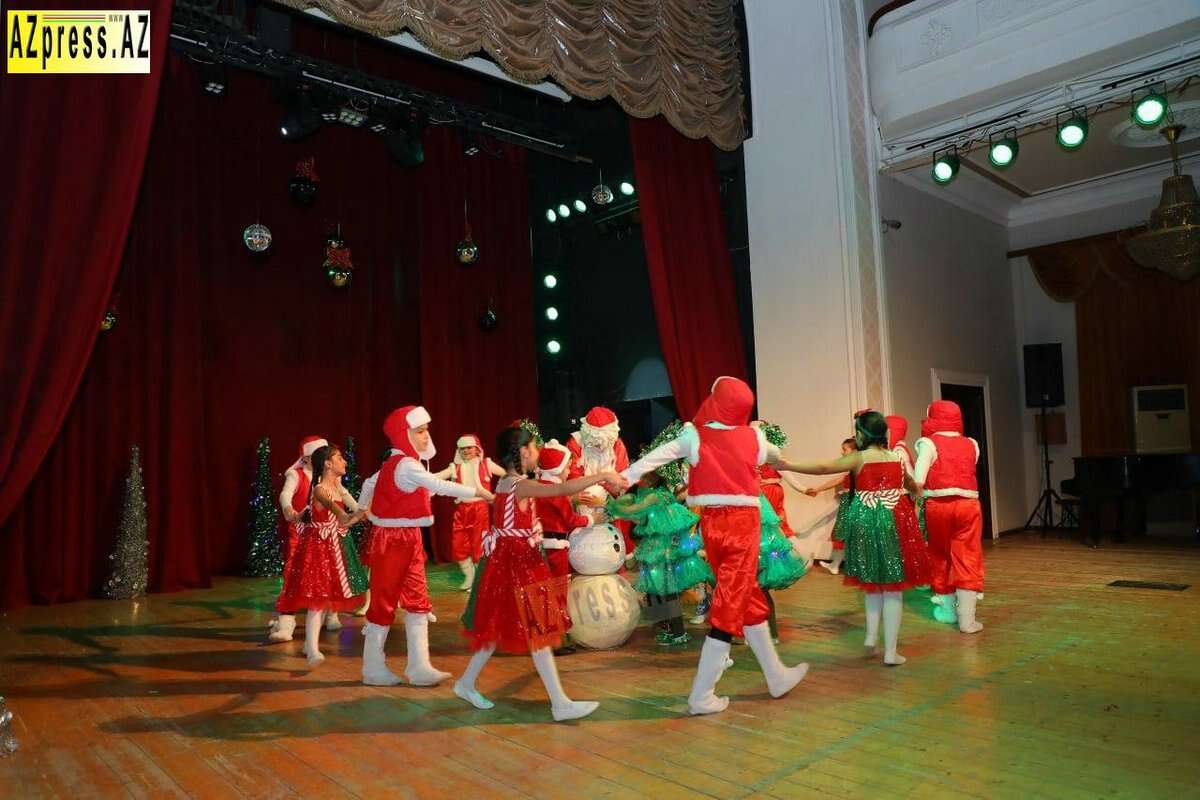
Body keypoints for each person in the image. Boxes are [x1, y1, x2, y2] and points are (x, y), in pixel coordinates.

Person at [624, 377, 809, 715]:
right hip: (742, 526)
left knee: (746, 595)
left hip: (712, 524)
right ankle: (702, 694)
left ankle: (776, 675)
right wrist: (764, 440)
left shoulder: (695, 436)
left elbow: (656, 457)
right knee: (731, 601)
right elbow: (775, 455)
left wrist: (622, 478)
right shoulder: (752, 438)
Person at [455, 426, 626, 721]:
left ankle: (468, 683)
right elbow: (559, 490)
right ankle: (559, 703)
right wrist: (603, 475)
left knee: (511, 629)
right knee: (538, 631)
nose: (537, 453)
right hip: (519, 564)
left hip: (511, 562)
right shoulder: (518, 485)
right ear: (523, 452)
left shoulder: (506, 483)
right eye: (534, 448)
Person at [775, 412, 930, 666]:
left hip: (866, 519)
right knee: (892, 585)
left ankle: (871, 637)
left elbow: (823, 467)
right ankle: (890, 651)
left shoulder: (859, 458)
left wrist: (789, 465)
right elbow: (912, 484)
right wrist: (916, 493)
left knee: (872, 579)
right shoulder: (896, 457)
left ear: (860, 435)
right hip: (894, 517)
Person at [357, 406, 493, 687]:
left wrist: (360, 509)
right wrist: (478, 492)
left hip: (409, 537)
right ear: (403, 434)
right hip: (391, 539)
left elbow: (370, 484)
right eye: (420, 431)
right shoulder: (405, 465)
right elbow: (438, 485)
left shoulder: (400, 462)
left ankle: (419, 666)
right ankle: (372, 667)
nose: (426, 436)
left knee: (417, 598)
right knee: (384, 600)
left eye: (426, 430)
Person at [276, 444, 369, 667]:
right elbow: (341, 516)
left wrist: (364, 510)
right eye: (339, 458)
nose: (344, 461)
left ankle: (310, 644)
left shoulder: (337, 487)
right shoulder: (320, 490)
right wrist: (356, 513)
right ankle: (312, 649)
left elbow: (349, 518)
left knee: (324, 598)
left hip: (334, 547)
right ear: (328, 464)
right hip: (318, 549)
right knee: (317, 599)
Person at [913, 400, 985, 633]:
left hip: (938, 506)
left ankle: (947, 611)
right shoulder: (972, 443)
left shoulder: (928, 443)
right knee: (968, 556)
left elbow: (918, 479)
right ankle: (968, 620)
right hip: (968, 505)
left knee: (940, 555)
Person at [431, 434, 505, 590]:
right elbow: (436, 478)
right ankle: (470, 577)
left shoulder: (486, 464)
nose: (465, 451)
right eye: (462, 448)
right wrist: (420, 477)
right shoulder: (455, 467)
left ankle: (480, 579)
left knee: (479, 545)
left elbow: (508, 475)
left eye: (469, 447)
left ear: (477, 449)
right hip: (461, 510)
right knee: (458, 545)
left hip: (480, 509)